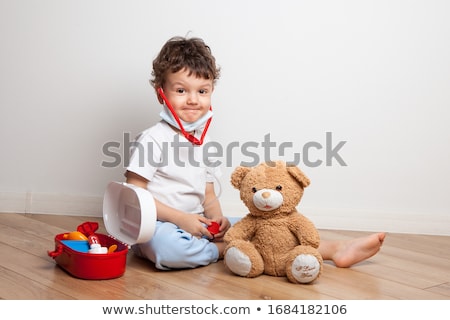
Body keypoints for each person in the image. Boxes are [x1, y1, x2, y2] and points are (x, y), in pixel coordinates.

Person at [125, 36, 385, 271]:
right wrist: (181, 219)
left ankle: (333, 249)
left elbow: (208, 195)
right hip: (156, 226)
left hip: (198, 225)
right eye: (181, 90)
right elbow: (136, 195)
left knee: (268, 223)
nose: (193, 100)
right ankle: (225, 250)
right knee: (168, 248)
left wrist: (216, 221)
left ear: (211, 92)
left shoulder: (205, 144)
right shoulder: (153, 139)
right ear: (161, 93)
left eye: (202, 91)